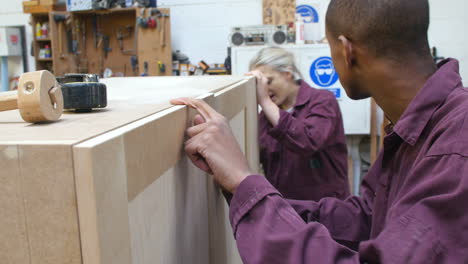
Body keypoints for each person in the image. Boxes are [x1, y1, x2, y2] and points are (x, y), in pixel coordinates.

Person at [171, 0, 468, 262]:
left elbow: (307, 140)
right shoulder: (422, 131)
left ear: (346, 50)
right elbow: (366, 219)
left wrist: (245, 184)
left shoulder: (456, 147)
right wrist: (239, 188)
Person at [247, 47, 350, 201]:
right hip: (288, 211)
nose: (264, 89)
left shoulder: (322, 101)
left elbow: (308, 141)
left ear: (287, 74)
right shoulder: (265, 118)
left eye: (269, 81)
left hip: (326, 210)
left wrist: (265, 102)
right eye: (260, 85)